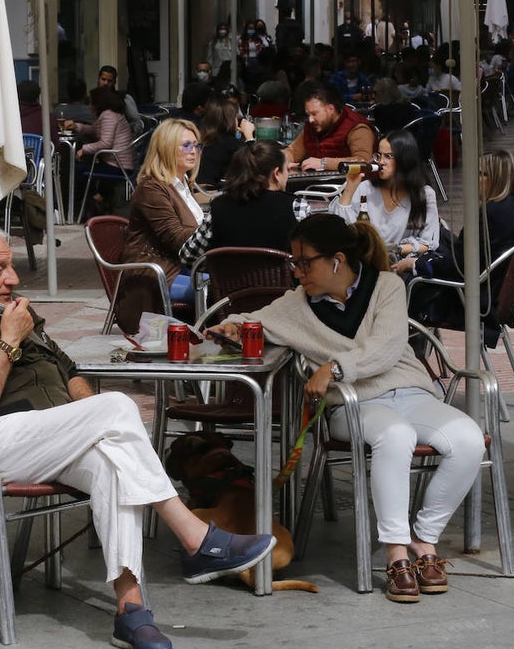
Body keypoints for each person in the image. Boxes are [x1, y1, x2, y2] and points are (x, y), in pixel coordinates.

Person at [0, 220, 276, 649]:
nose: (13, 278)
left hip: (52, 438)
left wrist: (93, 426)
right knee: (115, 407)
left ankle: (132, 612)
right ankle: (195, 538)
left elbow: (69, 371)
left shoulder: (15, 314)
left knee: (113, 460)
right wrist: (9, 344)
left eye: (12, 266)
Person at [205, 213, 486, 604]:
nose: (297, 271)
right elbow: (253, 319)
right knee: (396, 436)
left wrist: (334, 368)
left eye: (305, 262)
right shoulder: (295, 305)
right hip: (351, 406)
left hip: (409, 392)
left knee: (469, 439)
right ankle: (396, 554)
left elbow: (387, 348)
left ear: (337, 259)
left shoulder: (386, 285)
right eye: (294, 262)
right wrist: (231, 327)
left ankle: (425, 541)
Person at [404, 150, 514, 347]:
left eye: (480, 174)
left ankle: (411, 357)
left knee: (403, 286)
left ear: (496, 179)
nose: (474, 179)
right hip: (492, 295)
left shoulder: (489, 214)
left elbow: (459, 267)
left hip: (470, 300)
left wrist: (417, 264)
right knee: (442, 238)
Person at [114, 118, 204, 334]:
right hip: (154, 277)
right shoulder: (152, 189)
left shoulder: (181, 185)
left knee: (231, 280)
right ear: (165, 149)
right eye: (186, 145)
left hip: (182, 270)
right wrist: (216, 228)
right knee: (221, 287)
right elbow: (178, 239)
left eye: (197, 145)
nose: (194, 151)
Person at [329, 130, 439, 273]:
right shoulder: (365, 188)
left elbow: (428, 243)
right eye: (379, 155)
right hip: (363, 264)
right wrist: (350, 188)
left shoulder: (423, 194)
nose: (381, 162)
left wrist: (395, 250)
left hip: (399, 266)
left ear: (404, 159)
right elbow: (341, 229)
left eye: (388, 156)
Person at [180, 140, 301, 268]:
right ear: (276, 174)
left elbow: (188, 255)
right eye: (287, 169)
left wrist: (217, 267)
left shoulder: (218, 207)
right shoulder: (296, 207)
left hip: (228, 287)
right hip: (284, 287)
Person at [65, 86, 135, 217]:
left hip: (117, 165)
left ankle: (90, 201)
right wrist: (77, 126)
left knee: (78, 170)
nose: (90, 105)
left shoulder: (108, 115)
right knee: (83, 167)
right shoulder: (111, 114)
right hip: (117, 162)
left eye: (91, 102)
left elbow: (105, 143)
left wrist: (84, 150)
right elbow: (95, 130)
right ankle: (99, 196)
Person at [283, 84, 376, 173]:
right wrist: (282, 160)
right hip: (314, 184)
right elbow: (292, 151)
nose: (310, 119)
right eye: (308, 115)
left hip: (350, 185)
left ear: (331, 109)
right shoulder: (312, 126)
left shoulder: (357, 127)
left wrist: (324, 163)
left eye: (314, 114)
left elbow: (363, 161)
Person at [194, 94, 255, 189]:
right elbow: (256, 165)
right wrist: (249, 137)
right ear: (230, 120)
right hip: (211, 194)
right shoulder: (230, 143)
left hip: (196, 191)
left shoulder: (205, 139)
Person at [96, 65, 143, 134]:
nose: (106, 83)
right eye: (103, 79)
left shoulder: (124, 98)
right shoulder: (91, 99)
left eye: (109, 81)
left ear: (114, 82)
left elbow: (137, 123)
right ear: (98, 79)